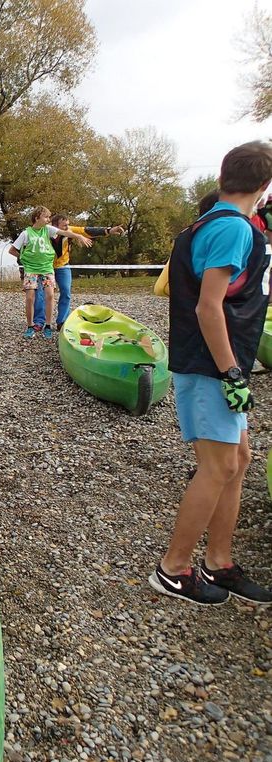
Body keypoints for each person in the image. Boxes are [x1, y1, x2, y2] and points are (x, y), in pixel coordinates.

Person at [149, 141, 272, 607]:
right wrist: (233, 372)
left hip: (217, 364)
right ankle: (173, 569)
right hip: (212, 367)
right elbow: (208, 306)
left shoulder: (215, 223)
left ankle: (219, 559)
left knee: (237, 461)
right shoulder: (231, 229)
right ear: (264, 186)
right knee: (218, 465)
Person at [7, 206, 91, 339]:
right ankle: (30, 326)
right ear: (37, 218)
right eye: (46, 217)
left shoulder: (48, 230)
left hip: (47, 268)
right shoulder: (26, 233)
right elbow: (12, 250)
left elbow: (66, 233)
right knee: (30, 298)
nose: (48, 219)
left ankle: (48, 325)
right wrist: (24, 258)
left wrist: (79, 236)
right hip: (31, 269)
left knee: (50, 295)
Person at [31, 215, 125, 329]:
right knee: (40, 293)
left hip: (63, 265)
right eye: (64, 225)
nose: (67, 227)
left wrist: (109, 230)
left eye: (67, 224)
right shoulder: (44, 231)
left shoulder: (70, 230)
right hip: (45, 267)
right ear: (55, 226)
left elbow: (87, 230)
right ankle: (39, 322)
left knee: (66, 292)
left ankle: (62, 322)